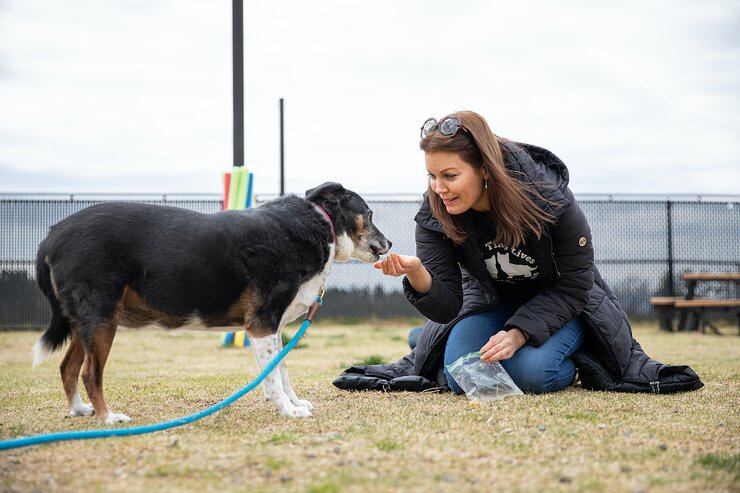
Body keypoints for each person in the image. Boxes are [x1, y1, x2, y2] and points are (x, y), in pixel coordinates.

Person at [333, 110, 702, 396]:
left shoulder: (548, 199)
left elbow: (576, 285)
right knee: (461, 376)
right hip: (490, 302)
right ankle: (426, 337)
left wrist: (519, 334)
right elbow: (446, 306)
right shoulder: (434, 213)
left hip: (562, 304)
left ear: (485, 170)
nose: (439, 188)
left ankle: (578, 352)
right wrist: (419, 275)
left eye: (450, 175)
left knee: (533, 373)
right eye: (432, 176)